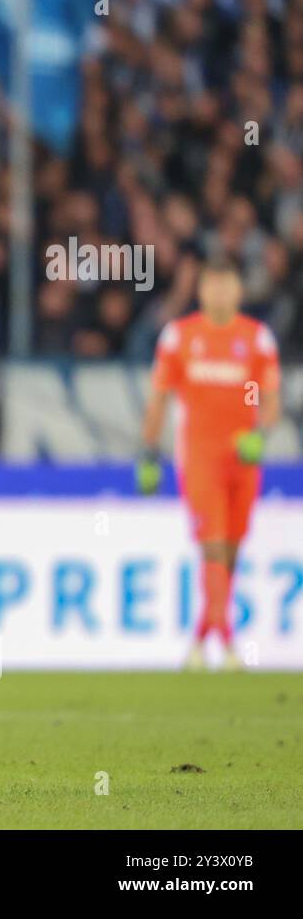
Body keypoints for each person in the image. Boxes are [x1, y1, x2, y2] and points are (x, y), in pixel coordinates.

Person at [137, 259, 280, 670]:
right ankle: (229, 643)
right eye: (211, 285)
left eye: (226, 284)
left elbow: (260, 391)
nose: (219, 292)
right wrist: (149, 449)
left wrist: (258, 431)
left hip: (242, 458)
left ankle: (200, 641)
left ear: (239, 290)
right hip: (199, 456)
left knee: (231, 550)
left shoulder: (255, 339)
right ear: (201, 290)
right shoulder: (181, 337)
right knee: (212, 543)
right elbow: (161, 395)